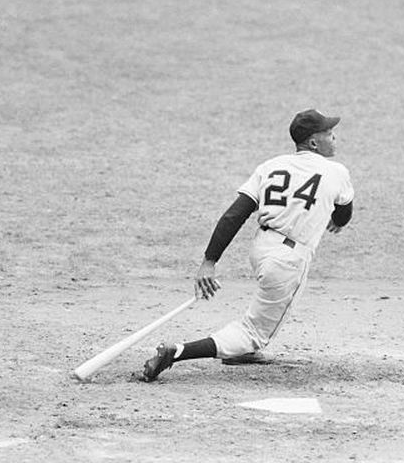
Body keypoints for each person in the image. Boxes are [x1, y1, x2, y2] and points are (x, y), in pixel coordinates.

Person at [140, 109, 355, 381]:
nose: (334, 137)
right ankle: (178, 351)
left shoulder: (270, 166)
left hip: (262, 248)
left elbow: (235, 214)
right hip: (288, 261)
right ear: (313, 143)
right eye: (328, 133)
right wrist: (337, 220)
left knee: (261, 310)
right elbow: (344, 213)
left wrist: (210, 261)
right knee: (253, 335)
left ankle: (239, 350)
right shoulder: (337, 171)